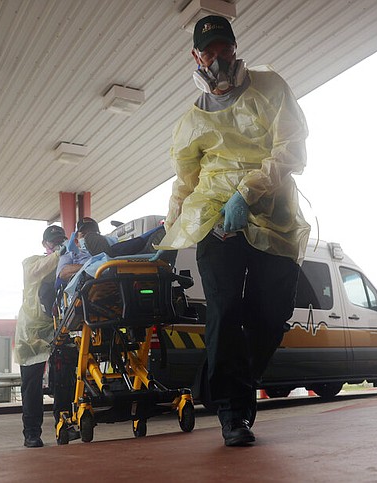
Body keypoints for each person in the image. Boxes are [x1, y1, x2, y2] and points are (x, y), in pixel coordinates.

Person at [154, 15, 310, 447]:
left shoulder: (269, 87)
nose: (218, 59)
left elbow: (291, 147)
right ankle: (232, 413)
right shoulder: (189, 122)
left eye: (225, 50)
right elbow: (185, 183)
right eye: (209, 52)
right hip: (213, 218)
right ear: (196, 57)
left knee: (272, 312)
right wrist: (168, 235)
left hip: (272, 213)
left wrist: (250, 192)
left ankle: (218, 382)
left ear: (236, 49)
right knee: (224, 309)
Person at [14, 224, 67, 448]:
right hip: (32, 333)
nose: (57, 244)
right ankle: (32, 433)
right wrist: (60, 253)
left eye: (61, 240)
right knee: (32, 383)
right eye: (53, 241)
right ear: (45, 244)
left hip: (58, 328)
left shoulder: (64, 264)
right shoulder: (33, 261)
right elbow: (37, 271)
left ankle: (65, 426)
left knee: (64, 380)